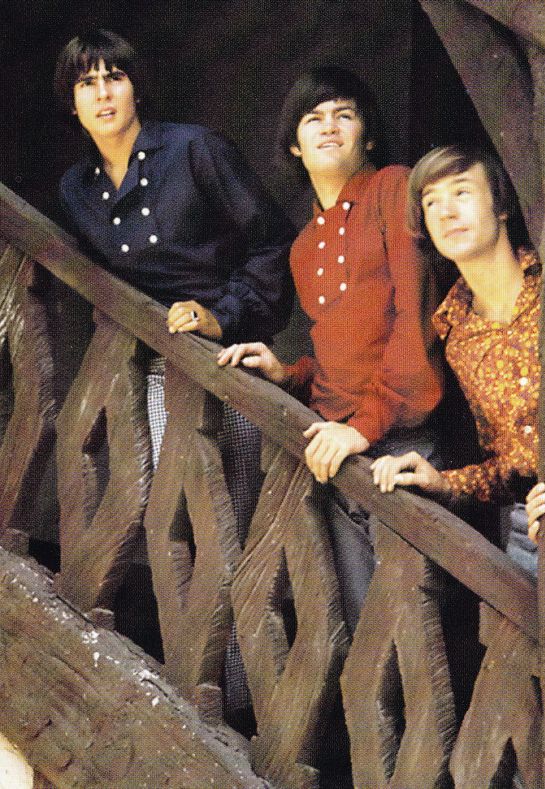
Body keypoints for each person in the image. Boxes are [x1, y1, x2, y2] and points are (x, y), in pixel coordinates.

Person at [55, 29, 294, 730]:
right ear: (72, 102)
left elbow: (273, 243)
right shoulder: (77, 190)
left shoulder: (194, 150)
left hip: (230, 362)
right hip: (158, 373)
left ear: (137, 86)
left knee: (236, 527)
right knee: (174, 524)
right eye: (87, 83)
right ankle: (197, 692)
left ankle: (248, 710)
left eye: (115, 77)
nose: (103, 93)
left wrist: (223, 315)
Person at [217, 67, 443, 632]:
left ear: (369, 135)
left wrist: (362, 429)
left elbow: (416, 322)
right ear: (295, 146)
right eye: (313, 118)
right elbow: (346, 349)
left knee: (411, 627)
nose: (329, 126)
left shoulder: (393, 187)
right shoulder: (302, 247)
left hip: (401, 442)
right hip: (338, 446)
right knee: (360, 624)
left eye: (345, 114)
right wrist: (290, 374)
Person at [369, 145, 545, 577]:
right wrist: (445, 482)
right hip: (531, 527)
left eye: (462, 192)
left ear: (501, 206)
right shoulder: (456, 333)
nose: (446, 212)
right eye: (431, 203)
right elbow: (508, 468)